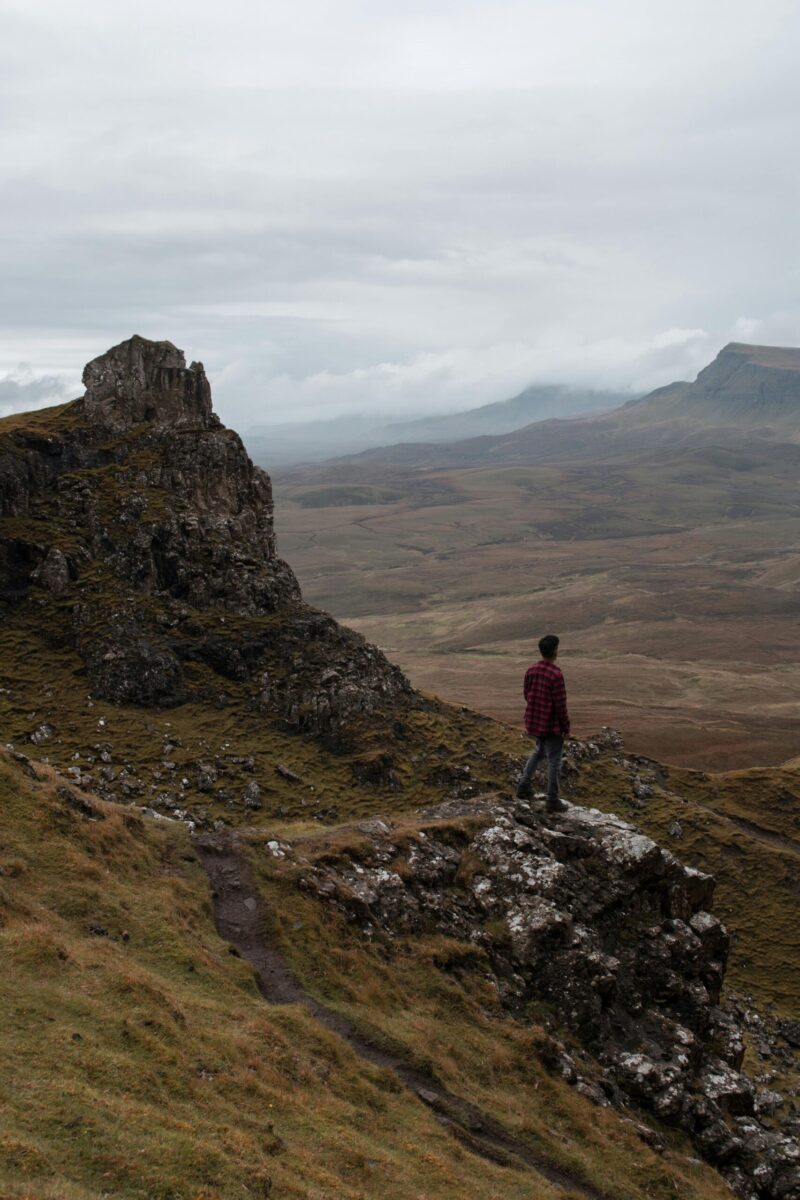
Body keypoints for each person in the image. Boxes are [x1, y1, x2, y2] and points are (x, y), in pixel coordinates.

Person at [516, 633, 570, 812]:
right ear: (555, 652)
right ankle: (552, 800)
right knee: (554, 761)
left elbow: (526, 694)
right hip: (551, 725)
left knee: (539, 752)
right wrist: (565, 726)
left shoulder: (531, 670)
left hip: (535, 722)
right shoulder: (555, 674)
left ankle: (523, 786)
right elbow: (560, 704)